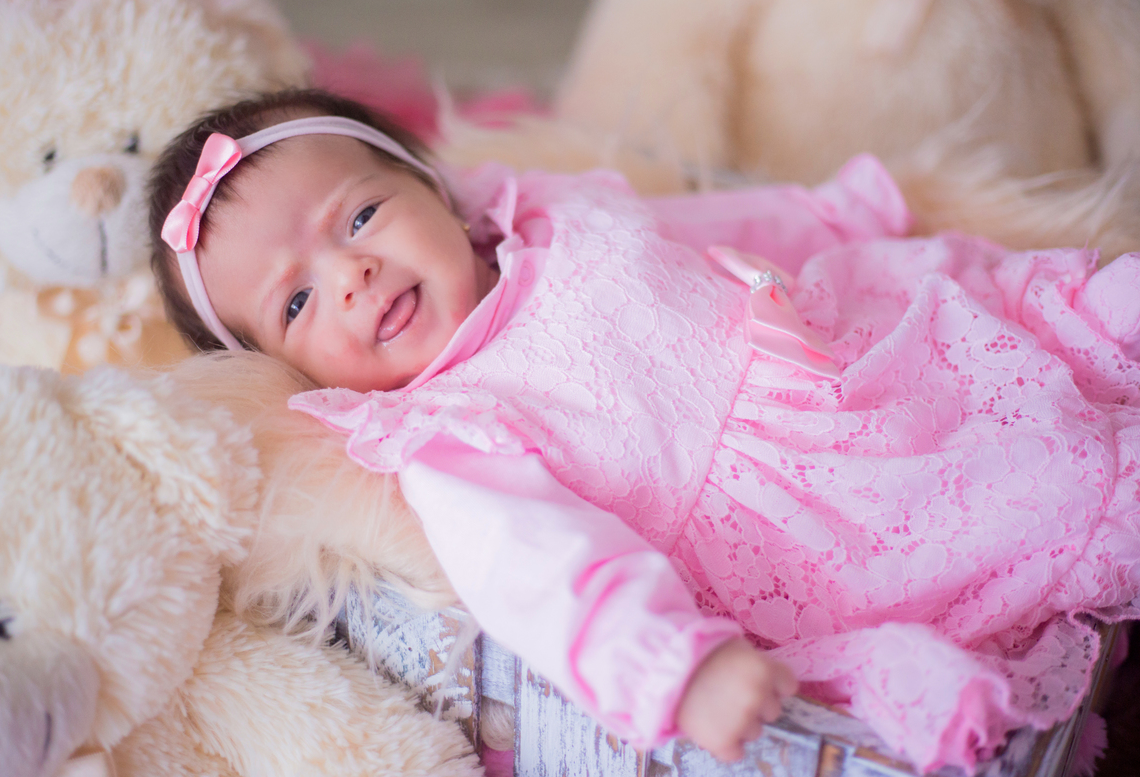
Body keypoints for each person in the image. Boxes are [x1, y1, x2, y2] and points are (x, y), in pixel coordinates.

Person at [148, 88, 1140, 773]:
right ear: (293, 371)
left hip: (837, 353)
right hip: (806, 523)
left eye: (359, 215)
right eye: (297, 301)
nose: (352, 273)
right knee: (1037, 487)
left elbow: (716, 228)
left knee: (997, 311)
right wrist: (678, 668)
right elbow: (547, 573)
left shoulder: (555, 214)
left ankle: (1102, 307)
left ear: (432, 188)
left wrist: (839, 211)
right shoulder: (447, 432)